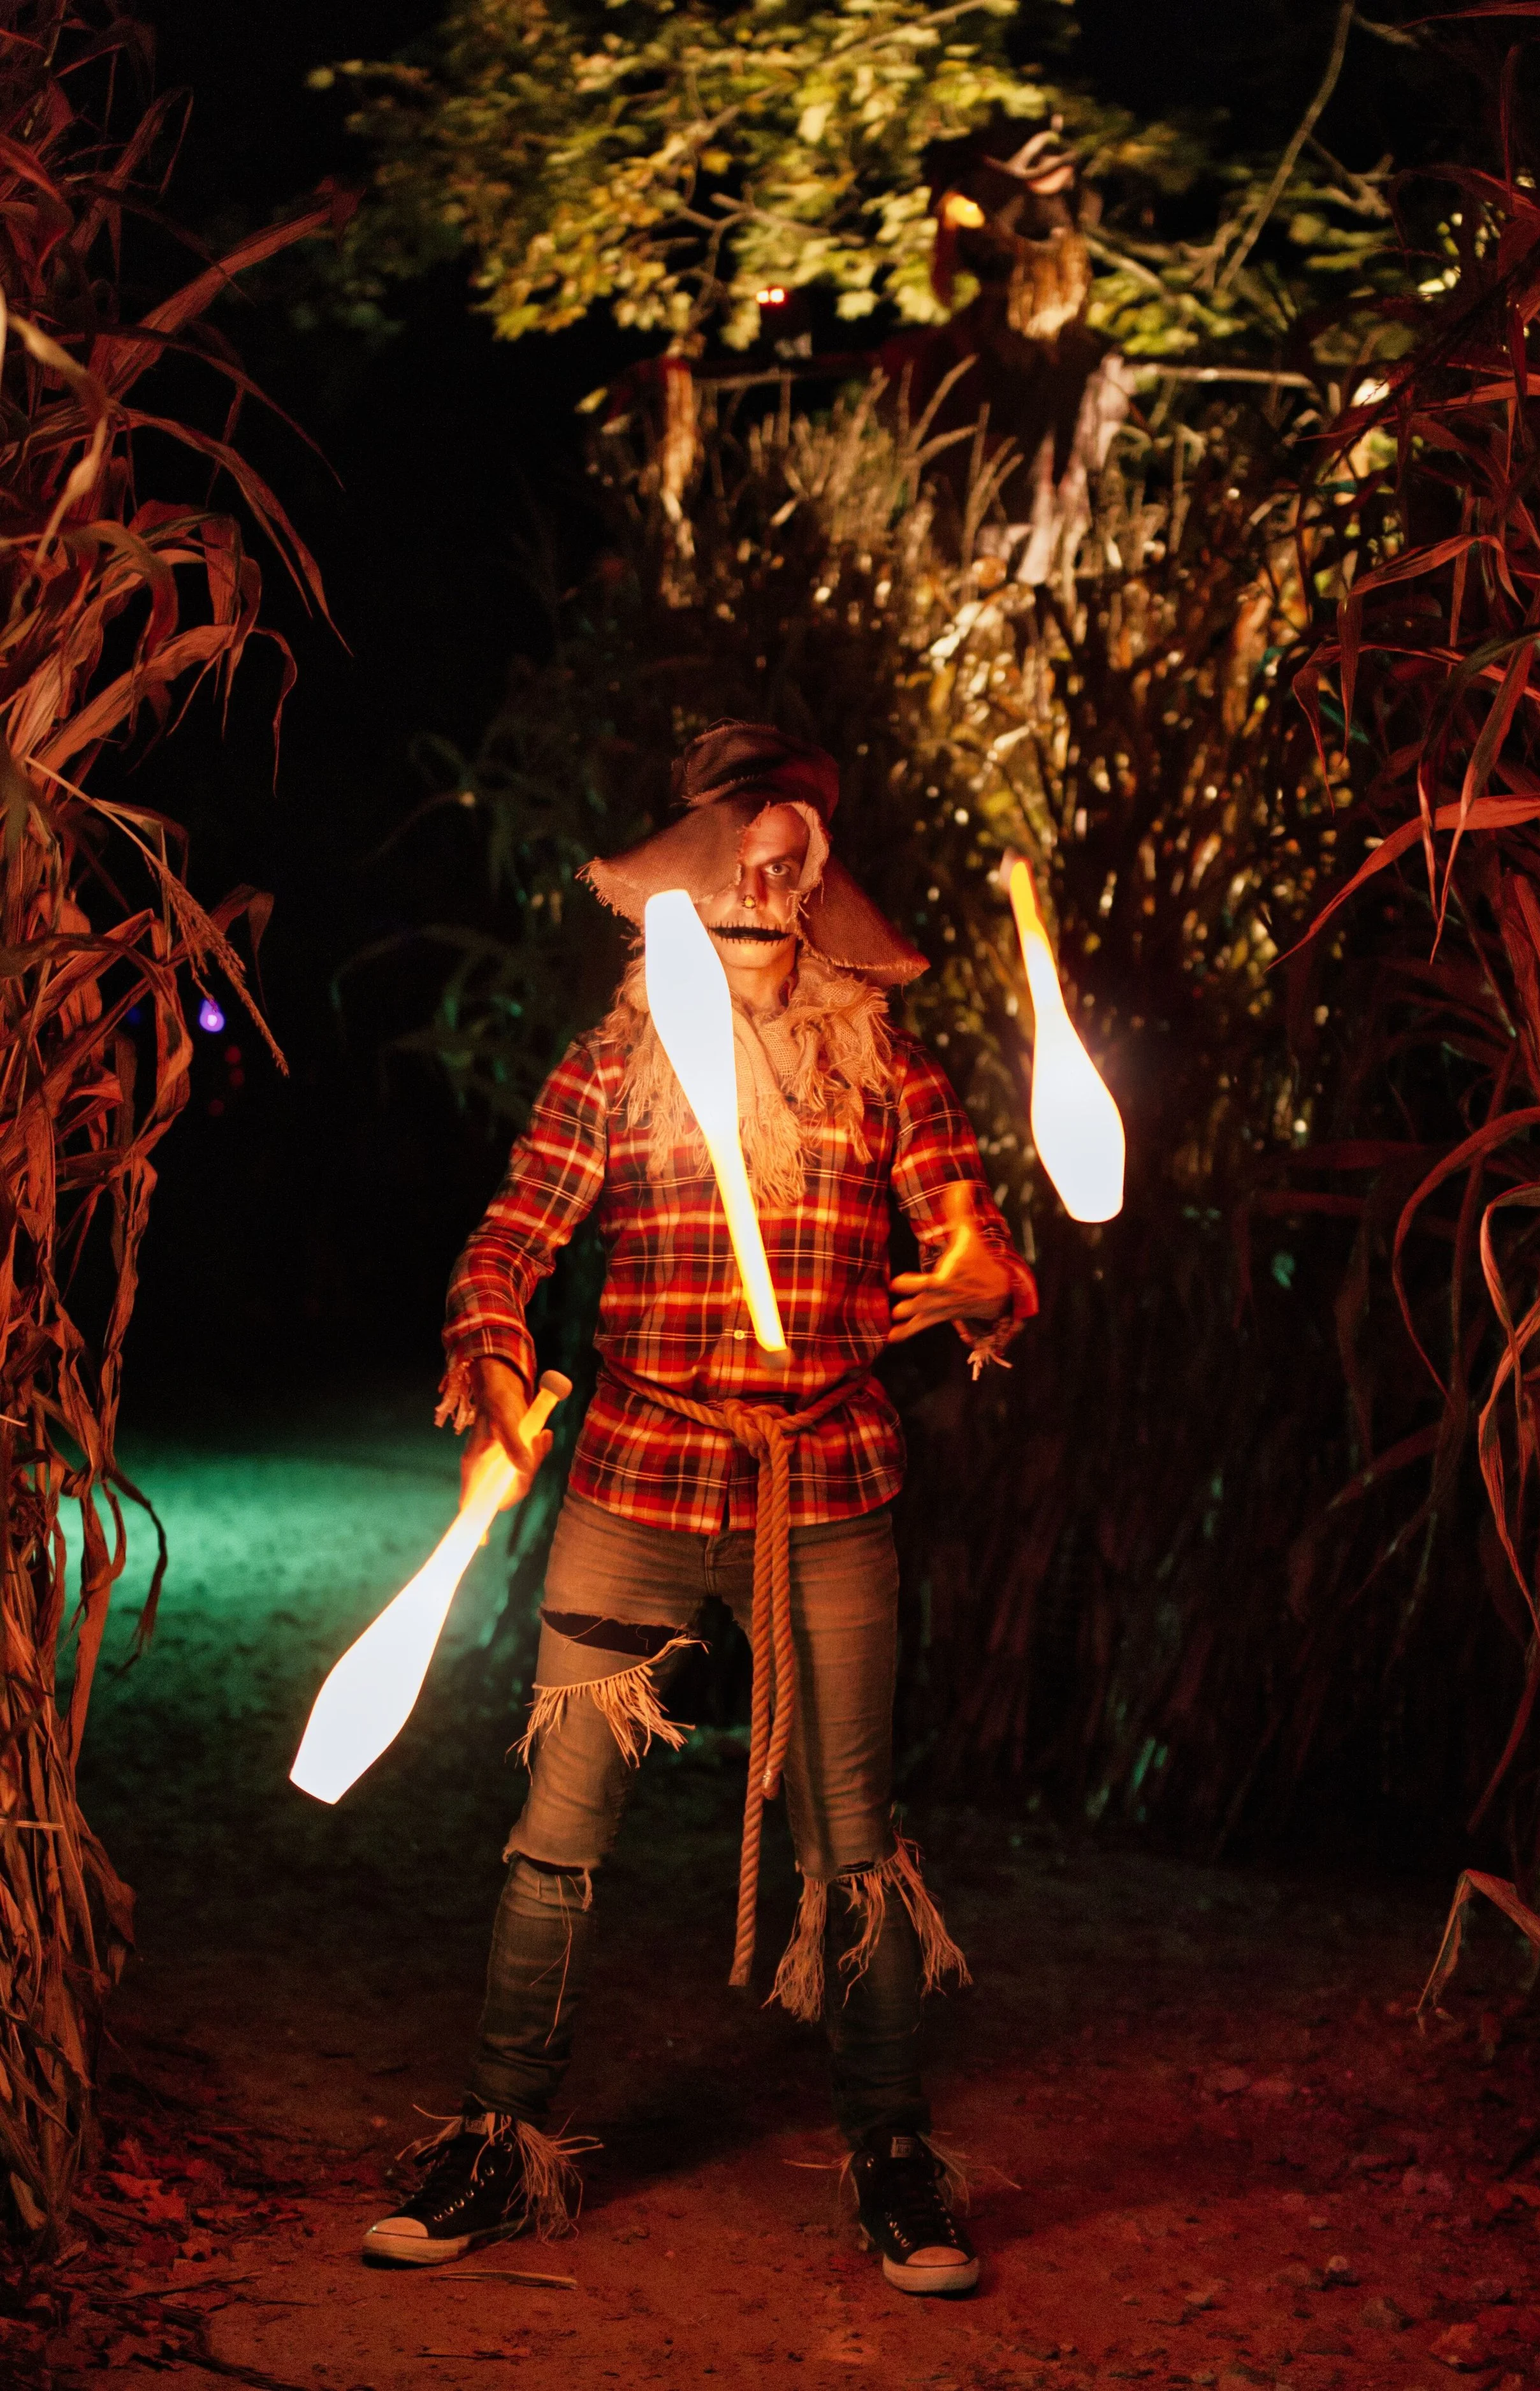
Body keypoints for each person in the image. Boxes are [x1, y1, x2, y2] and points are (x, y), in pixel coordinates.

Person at [363, 720, 1036, 2295]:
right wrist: (491, 1351)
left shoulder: (885, 1066)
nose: (757, 889)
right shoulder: (616, 1060)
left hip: (827, 1487)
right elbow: (507, 1240)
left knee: (853, 1843)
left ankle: (891, 2153)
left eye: (786, 865)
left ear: (816, 889)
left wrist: (982, 1277)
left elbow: (979, 1240)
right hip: (636, 1480)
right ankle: (497, 2138)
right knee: (555, 1831)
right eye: (731, 861)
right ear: (684, 880)